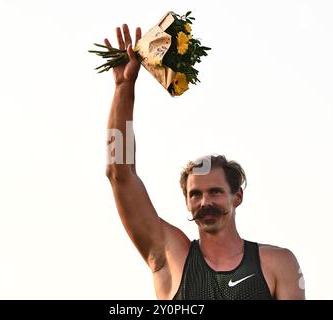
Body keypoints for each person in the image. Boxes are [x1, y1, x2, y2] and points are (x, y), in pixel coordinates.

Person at [104, 24, 305, 300]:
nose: (204, 202)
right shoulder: (171, 257)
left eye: (215, 192)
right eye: (195, 194)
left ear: (238, 196)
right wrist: (123, 88)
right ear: (186, 200)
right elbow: (119, 174)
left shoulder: (277, 264)